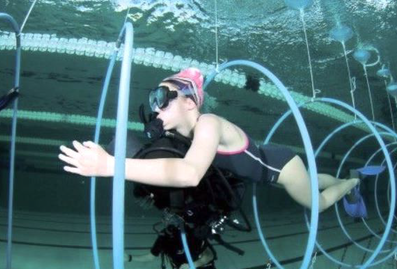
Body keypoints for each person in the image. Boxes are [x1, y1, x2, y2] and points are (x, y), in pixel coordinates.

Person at [58, 67, 360, 213]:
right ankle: (342, 179)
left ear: (190, 102)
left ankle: (350, 184)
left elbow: (189, 173)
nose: (156, 108)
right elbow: (164, 167)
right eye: (153, 101)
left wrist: (111, 165)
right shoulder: (178, 135)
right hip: (270, 166)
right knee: (310, 179)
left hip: (279, 167)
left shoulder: (209, 123)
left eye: (162, 98)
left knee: (317, 205)